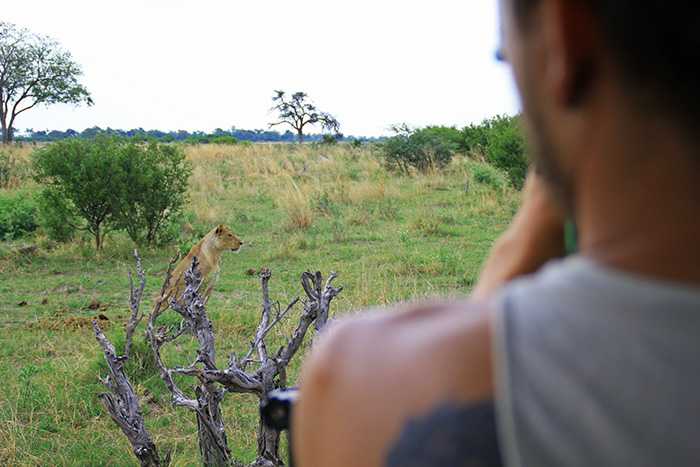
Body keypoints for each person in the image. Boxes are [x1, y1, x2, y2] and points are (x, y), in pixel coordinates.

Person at [293, 0, 700, 465]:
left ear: (565, 36)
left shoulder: (359, 373)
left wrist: (528, 235)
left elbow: (464, 391)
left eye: (506, 56)